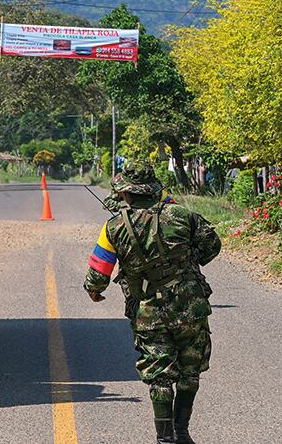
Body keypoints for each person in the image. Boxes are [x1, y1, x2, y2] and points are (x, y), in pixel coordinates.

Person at [83, 161, 220, 444]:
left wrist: (95, 292)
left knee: (159, 376)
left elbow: (98, 275)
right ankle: (183, 432)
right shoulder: (183, 215)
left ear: (126, 193)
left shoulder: (113, 227)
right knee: (189, 371)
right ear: (153, 190)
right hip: (190, 308)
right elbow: (212, 245)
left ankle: (165, 439)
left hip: (148, 312)